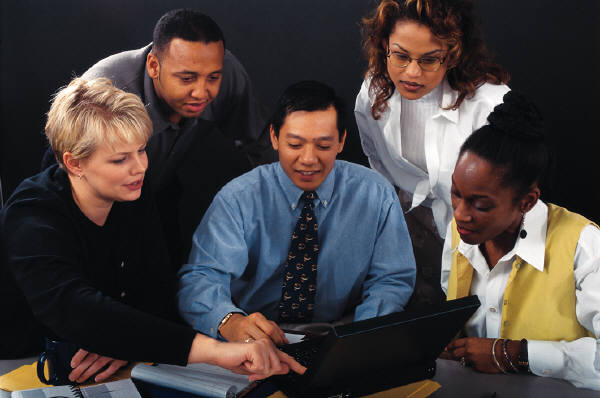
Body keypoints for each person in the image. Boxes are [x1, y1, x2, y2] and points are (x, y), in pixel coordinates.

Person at [0, 78, 304, 383]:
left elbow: (157, 294)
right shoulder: (32, 212)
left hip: (97, 364)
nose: (139, 167)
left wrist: (120, 340)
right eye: (120, 159)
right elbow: (73, 308)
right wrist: (215, 352)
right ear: (75, 163)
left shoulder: (132, 192)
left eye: (141, 150)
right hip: (17, 362)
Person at [178, 81, 416, 344]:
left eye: (323, 146)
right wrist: (229, 321)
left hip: (340, 331)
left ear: (341, 141)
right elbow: (201, 279)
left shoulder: (375, 194)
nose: (308, 159)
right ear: (274, 138)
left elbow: (390, 280)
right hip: (255, 336)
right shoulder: (237, 199)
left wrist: (359, 339)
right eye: (295, 144)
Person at [41, 9, 274, 267]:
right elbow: (65, 171)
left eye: (213, 78)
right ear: (154, 66)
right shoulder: (107, 88)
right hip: (98, 204)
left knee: (167, 281)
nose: (201, 92)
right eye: (187, 78)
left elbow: (263, 144)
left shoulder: (224, 71)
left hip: (157, 192)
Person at [355, 0, 510, 307]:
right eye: (400, 56)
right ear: (385, 45)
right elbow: (376, 164)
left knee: (477, 328)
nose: (412, 72)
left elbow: (511, 194)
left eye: (429, 60)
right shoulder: (373, 91)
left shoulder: (491, 105)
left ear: (452, 56)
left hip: (480, 232)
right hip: (407, 227)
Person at [440, 91, 600, 390]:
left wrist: (513, 354)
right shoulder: (458, 233)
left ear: (527, 202)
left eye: (480, 204)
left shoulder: (584, 245)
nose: (460, 214)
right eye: (456, 193)